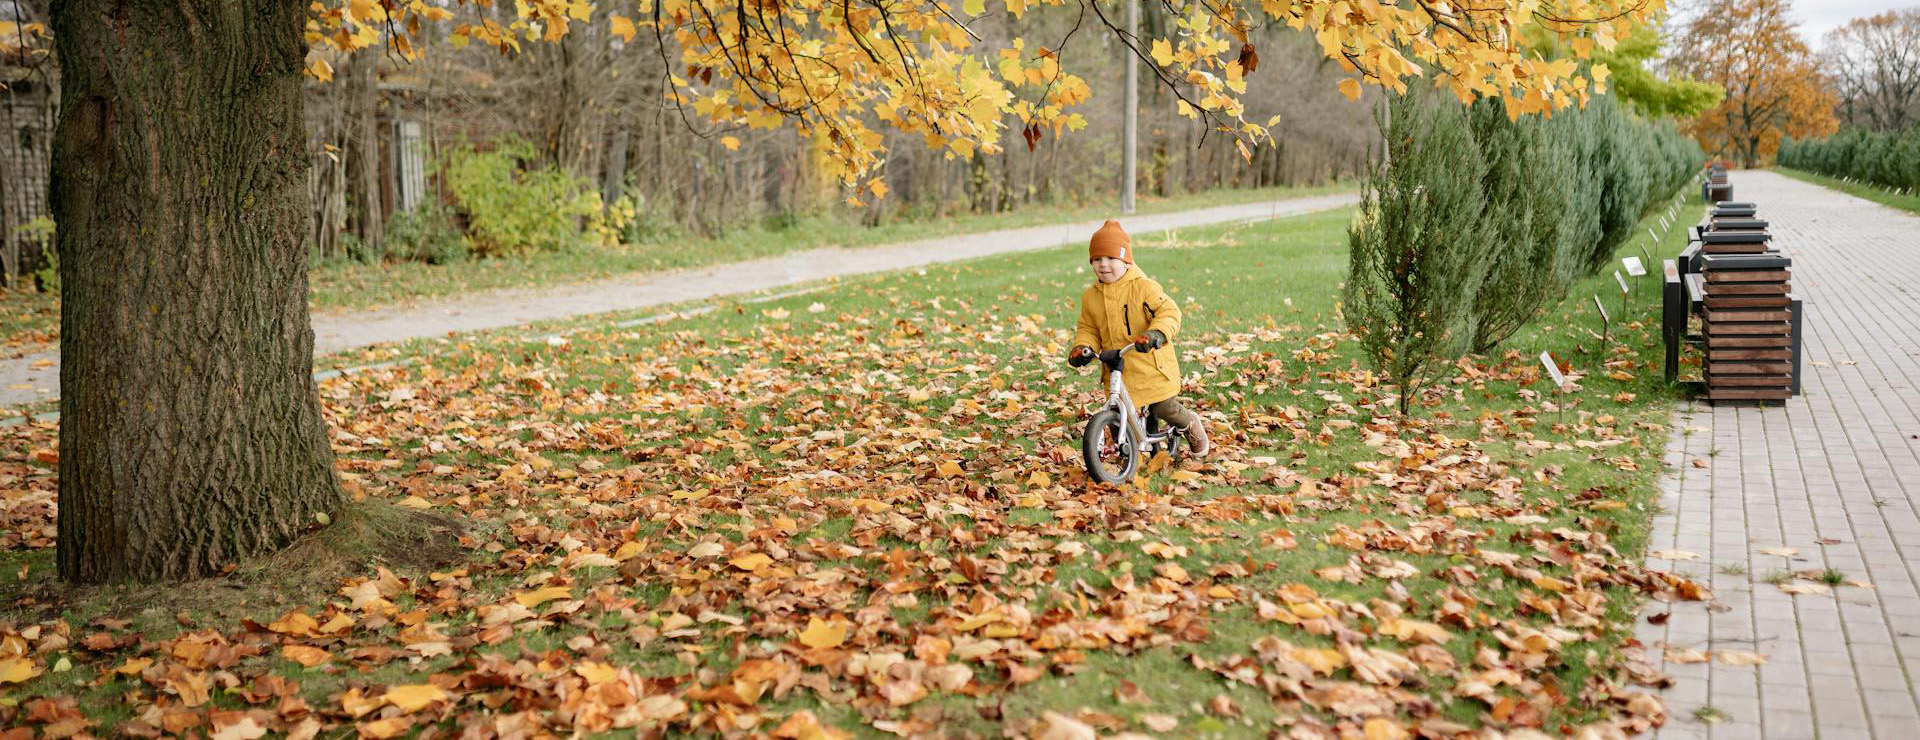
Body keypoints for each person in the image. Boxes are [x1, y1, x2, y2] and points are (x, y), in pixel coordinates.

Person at [1066, 220, 1209, 457]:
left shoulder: (1143, 288)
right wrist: (1083, 346)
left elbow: (1169, 312)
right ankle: (1132, 454)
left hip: (1150, 363)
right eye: (1097, 259)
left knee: (1163, 407)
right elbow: (1088, 327)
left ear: (1125, 261)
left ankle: (1189, 424)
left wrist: (1157, 334)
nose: (1103, 265)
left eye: (1111, 259)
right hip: (1118, 368)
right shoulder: (1090, 297)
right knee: (1118, 416)